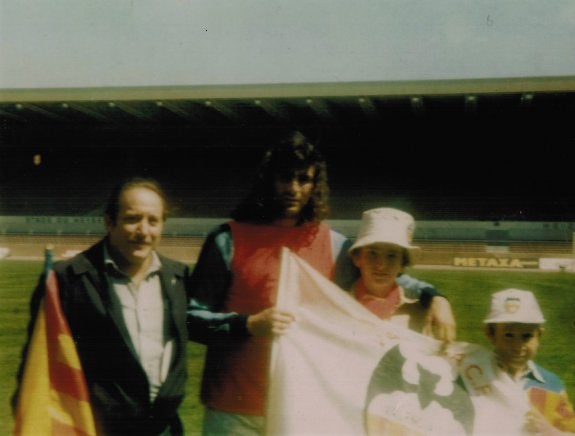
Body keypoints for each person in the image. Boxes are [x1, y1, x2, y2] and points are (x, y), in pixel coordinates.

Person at [187, 131, 454, 435]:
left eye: (304, 179)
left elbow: (388, 274)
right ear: (267, 179)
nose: (293, 188)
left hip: (303, 407)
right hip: (233, 410)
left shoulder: (333, 244)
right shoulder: (226, 239)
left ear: (315, 186)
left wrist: (436, 296)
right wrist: (247, 325)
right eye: (284, 177)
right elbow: (191, 319)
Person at [13, 178, 191, 435]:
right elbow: (36, 363)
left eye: (153, 221)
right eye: (133, 219)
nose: (144, 230)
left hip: (162, 428)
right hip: (95, 428)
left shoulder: (179, 276)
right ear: (109, 222)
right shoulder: (67, 278)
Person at [349, 207, 455, 337]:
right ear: (357, 258)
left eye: (392, 256)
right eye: (372, 253)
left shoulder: (423, 313)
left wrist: (439, 300)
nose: (381, 265)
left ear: (402, 264)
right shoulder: (336, 306)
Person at [483, 288, 575, 434]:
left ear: (539, 336)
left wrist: (550, 431)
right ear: (490, 334)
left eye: (527, 336)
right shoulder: (474, 374)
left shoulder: (552, 385)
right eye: (508, 335)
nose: (517, 347)